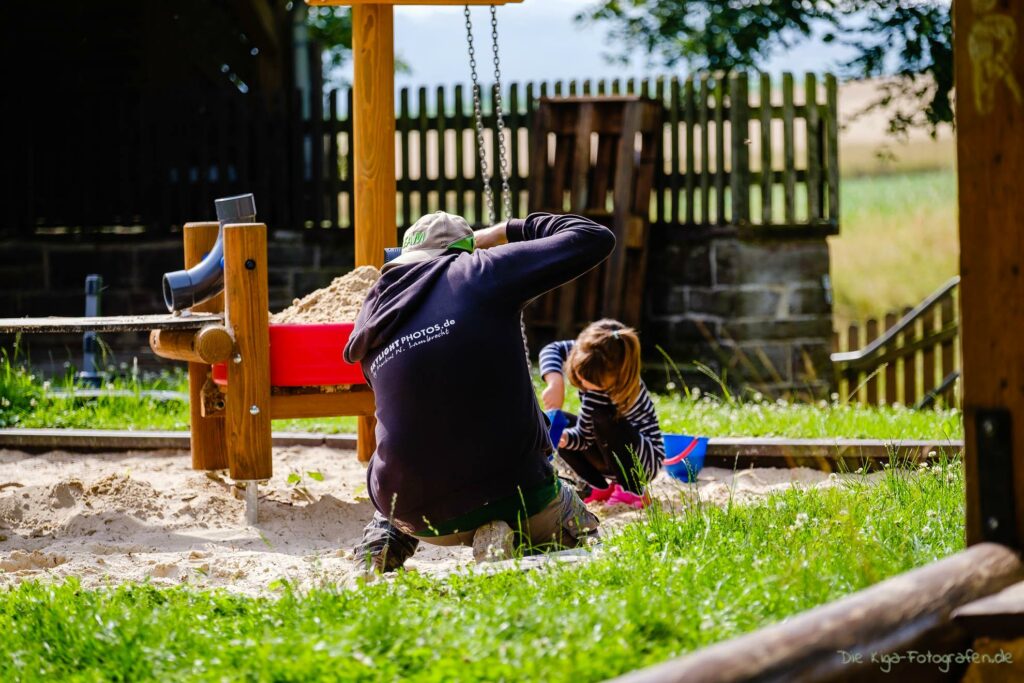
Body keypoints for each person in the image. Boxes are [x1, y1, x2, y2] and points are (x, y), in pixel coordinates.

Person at [344, 210, 614, 572]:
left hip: (409, 509)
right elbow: (593, 236)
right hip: (513, 491)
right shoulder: (479, 271)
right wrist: (501, 232)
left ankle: (378, 548)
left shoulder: (374, 314)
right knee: (581, 532)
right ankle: (503, 531)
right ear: (465, 251)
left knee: (411, 470)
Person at [539, 320, 665, 508]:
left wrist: (567, 438)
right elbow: (552, 349)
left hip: (643, 461)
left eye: (591, 381)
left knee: (600, 418)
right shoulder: (591, 355)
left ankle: (633, 490)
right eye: (579, 373)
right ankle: (599, 486)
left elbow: (585, 436)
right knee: (558, 424)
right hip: (609, 454)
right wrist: (555, 381)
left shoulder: (610, 391)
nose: (582, 382)